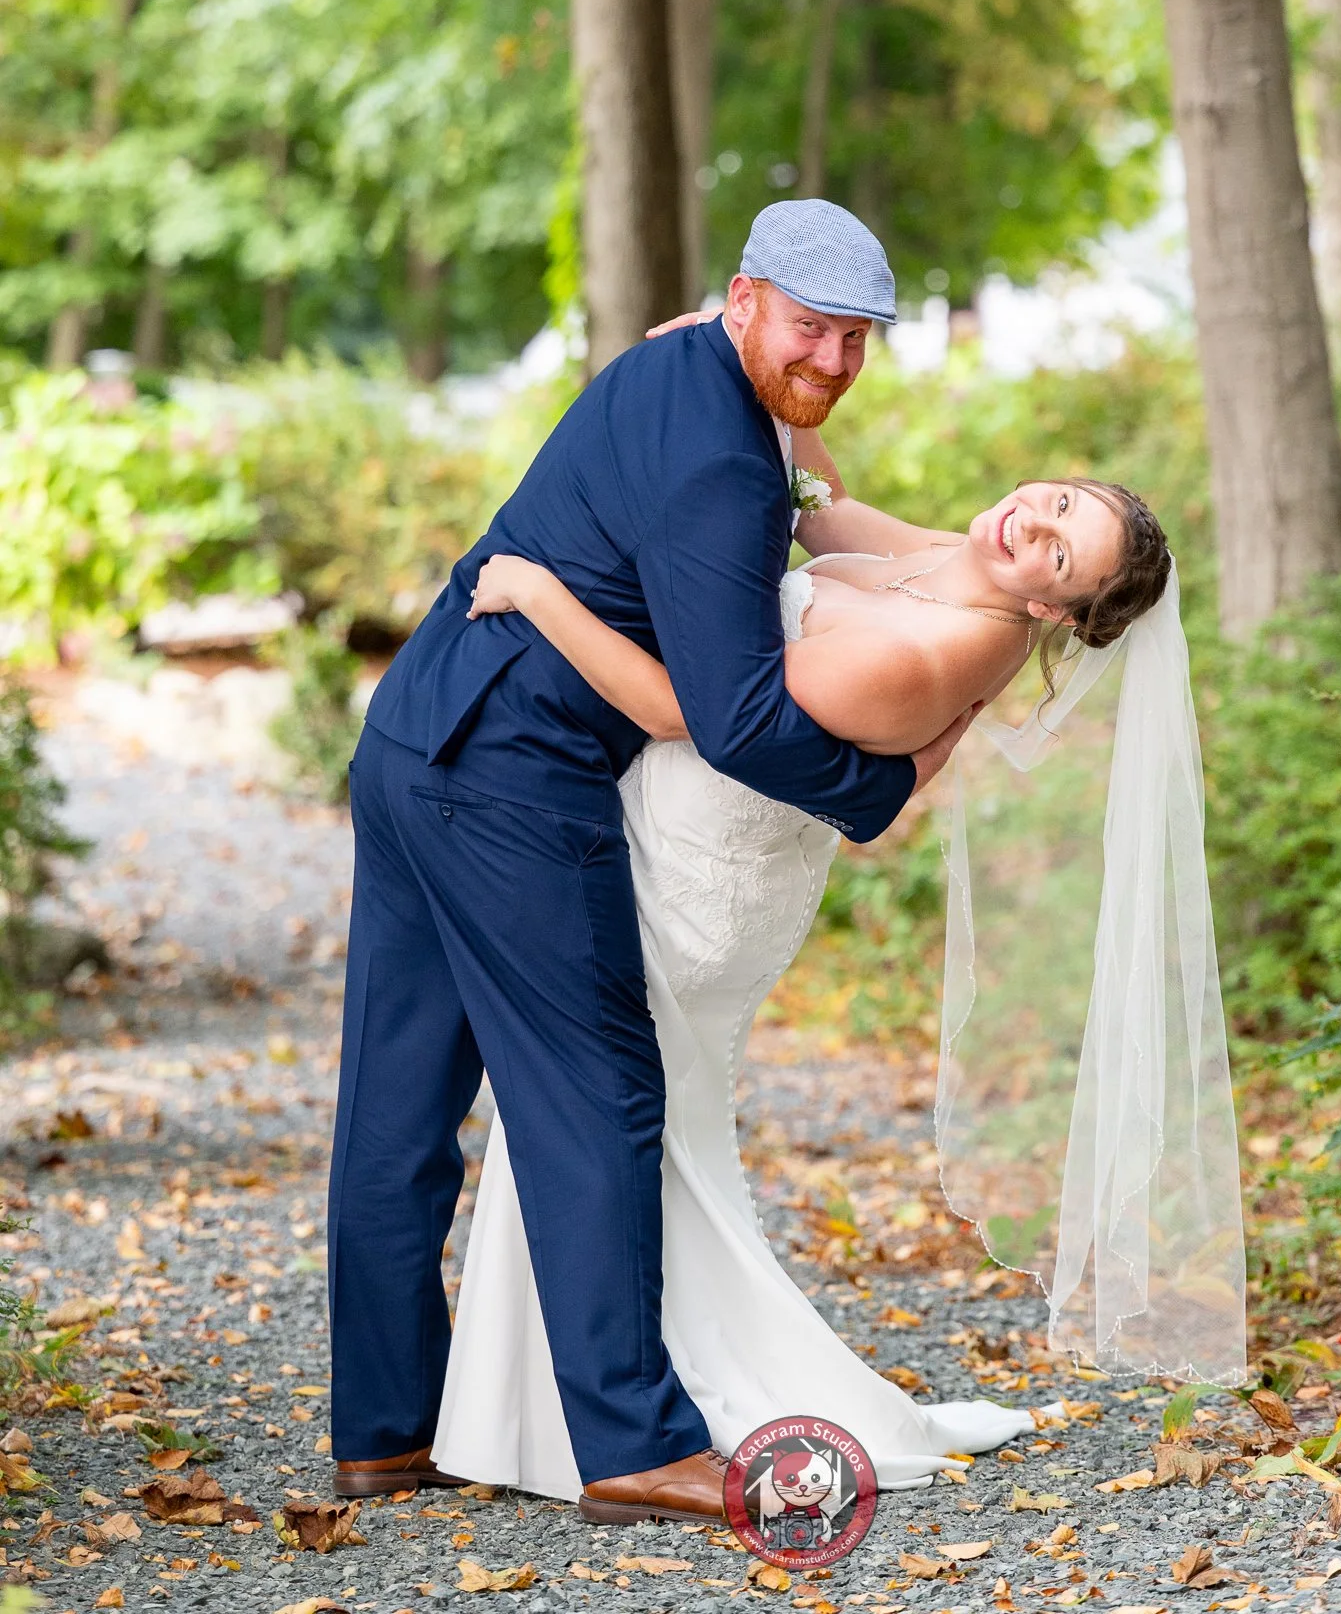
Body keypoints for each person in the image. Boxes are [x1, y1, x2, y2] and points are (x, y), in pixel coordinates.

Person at [326, 201, 974, 1521]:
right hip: (505, 779)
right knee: (602, 1088)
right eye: (814, 328)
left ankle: (380, 1434)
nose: (837, 360)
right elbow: (728, 718)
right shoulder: (726, 466)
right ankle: (629, 1440)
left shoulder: (679, 365)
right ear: (746, 302)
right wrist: (883, 786)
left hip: (410, 734)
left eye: (860, 337)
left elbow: (800, 516)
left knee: (395, 1111)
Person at [430, 439, 1170, 1502]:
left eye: (1057, 551)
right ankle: (565, 1405)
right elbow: (822, 510)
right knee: (616, 1121)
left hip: (698, 884)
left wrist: (539, 594)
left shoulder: (922, 657)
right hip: (677, 839)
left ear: (1056, 613)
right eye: (1052, 502)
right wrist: (753, 388)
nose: (1030, 524)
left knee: (596, 1114)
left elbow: (688, 711)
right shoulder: (960, 559)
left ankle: (584, 1415)